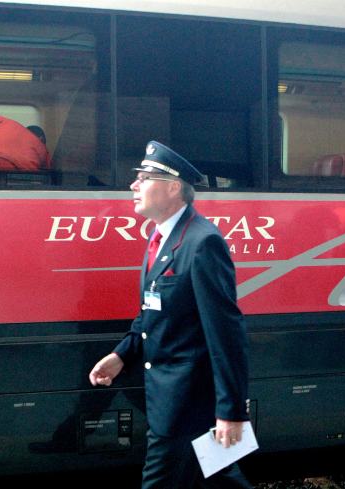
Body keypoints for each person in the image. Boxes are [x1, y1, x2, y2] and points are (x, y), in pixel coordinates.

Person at [89, 141, 252, 488]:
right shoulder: (161, 237)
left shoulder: (202, 242)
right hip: (174, 403)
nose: (133, 186)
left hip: (188, 408)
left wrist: (231, 411)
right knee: (222, 479)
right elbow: (153, 308)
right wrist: (122, 353)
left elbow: (226, 333)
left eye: (144, 178)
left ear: (173, 187)